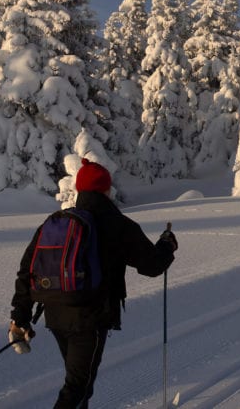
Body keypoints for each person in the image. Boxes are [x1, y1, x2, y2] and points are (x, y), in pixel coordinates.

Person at [9, 159, 178, 409]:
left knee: (77, 381)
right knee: (78, 387)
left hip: (55, 315)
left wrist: (20, 317)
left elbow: (27, 271)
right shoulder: (118, 224)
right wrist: (166, 245)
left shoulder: (55, 221)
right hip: (90, 318)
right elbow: (152, 266)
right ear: (106, 191)